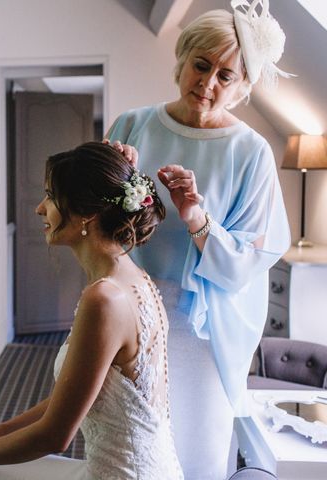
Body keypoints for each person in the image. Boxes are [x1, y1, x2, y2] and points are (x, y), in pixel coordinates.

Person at [105, 1, 291, 478]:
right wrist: (108, 182)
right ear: (182, 59)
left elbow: (250, 261)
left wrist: (196, 217)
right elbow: (95, 224)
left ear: (243, 86)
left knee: (195, 444)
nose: (207, 84)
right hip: (130, 308)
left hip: (199, 324)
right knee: (128, 439)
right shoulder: (132, 125)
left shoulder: (251, 153)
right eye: (201, 65)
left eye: (225, 76)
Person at [0, 142, 183, 479]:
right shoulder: (133, 278)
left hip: (124, 474)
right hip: (151, 467)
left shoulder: (104, 299)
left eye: (50, 196)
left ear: (86, 213)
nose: (39, 208)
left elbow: (56, 435)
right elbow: (63, 401)